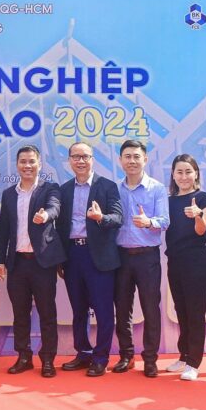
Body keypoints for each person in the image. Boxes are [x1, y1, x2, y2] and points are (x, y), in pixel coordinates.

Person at [0, 145, 63, 378]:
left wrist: (46, 215)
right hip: (17, 263)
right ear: (17, 165)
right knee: (20, 313)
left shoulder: (50, 188)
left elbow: (55, 207)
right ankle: (24, 356)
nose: (27, 165)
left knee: (47, 313)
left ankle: (48, 359)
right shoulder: (9, 194)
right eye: (23, 161)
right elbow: (4, 230)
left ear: (39, 164)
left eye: (32, 161)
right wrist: (0, 261)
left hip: (42, 263)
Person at [56, 142, 122, 377]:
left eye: (85, 156)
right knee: (79, 309)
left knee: (103, 310)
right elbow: (59, 226)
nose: (80, 161)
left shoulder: (107, 186)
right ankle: (83, 353)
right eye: (76, 157)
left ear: (92, 159)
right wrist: (60, 259)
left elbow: (118, 218)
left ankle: (101, 357)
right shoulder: (64, 190)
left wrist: (101, 217)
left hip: (99, 257)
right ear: (69, 161)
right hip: (73, 256)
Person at [113, 140, 169, 378]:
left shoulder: (157, 188)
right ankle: (126, 356)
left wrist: (149, 222)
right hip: (120, 257)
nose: (132, 161)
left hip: (147, 257)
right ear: (120, 161)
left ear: (145, 159)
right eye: (127, 156)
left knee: (150, 308)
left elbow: (165, 221)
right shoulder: (114, 189)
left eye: (136, 156)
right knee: (122, 308)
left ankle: (150, 358)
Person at [164, 154, 206, 381]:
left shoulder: (202, 198)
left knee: (195, 312)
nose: (184, 177)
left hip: (196, 262)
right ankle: (184, 356)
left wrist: (198, 215)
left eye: (188, 172)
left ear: (196, 174)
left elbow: (201, 230)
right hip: (174, 261)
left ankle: (194, 362)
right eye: (179, 172)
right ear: (173, 175)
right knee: (181, 310)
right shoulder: (168, 201)